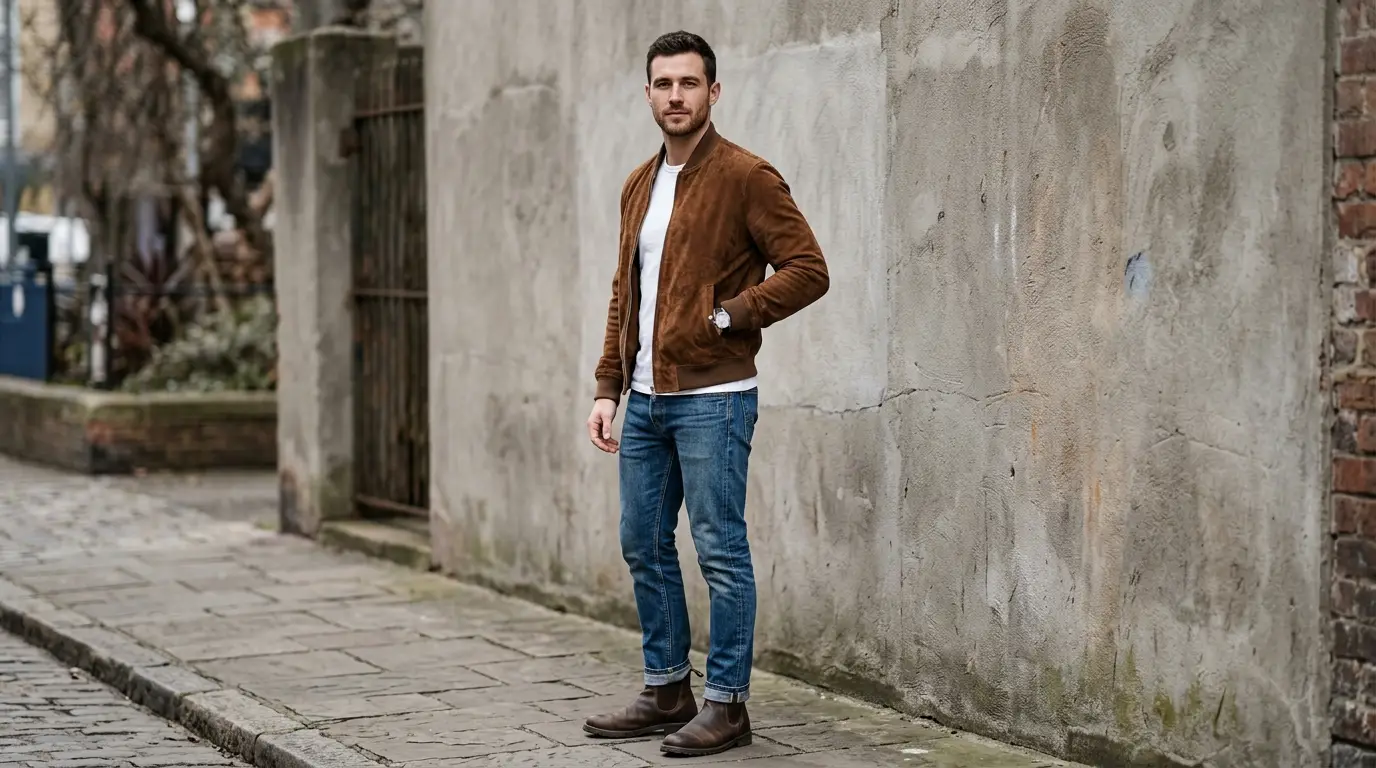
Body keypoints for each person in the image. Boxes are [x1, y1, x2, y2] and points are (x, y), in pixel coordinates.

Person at [582, 30, 830, 758]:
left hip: (715, 397)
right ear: (649, 93)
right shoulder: (638, 183)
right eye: (663, 84)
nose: (675, 97)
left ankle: (727, 706)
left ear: (712, 93)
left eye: (689, 84)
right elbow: (623, 293)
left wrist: (730, 314)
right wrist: (607, 385)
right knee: (642, 542)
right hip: (646, 398)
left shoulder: (746, 176)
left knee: (720, 550)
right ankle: (667, 687)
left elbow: (808, 268)